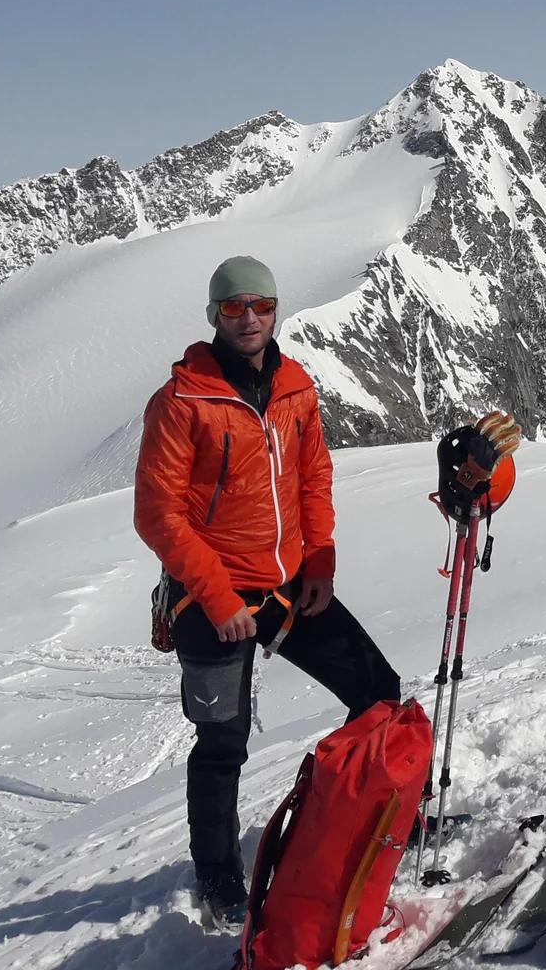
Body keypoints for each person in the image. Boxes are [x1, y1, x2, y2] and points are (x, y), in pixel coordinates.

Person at [134, 255, 402, 929]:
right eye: (233, 308)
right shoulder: (182, 401)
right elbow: (158, 513)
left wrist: (321, 563)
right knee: (221, 745)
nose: (248, 318)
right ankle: (219, 876)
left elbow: (313, 477)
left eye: (259, 305)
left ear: (276, 309)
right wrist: (218, 598)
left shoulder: (295, 387)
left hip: (290, 586)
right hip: (211, 597)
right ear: (214, 316)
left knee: (378, 691)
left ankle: (356, 821)